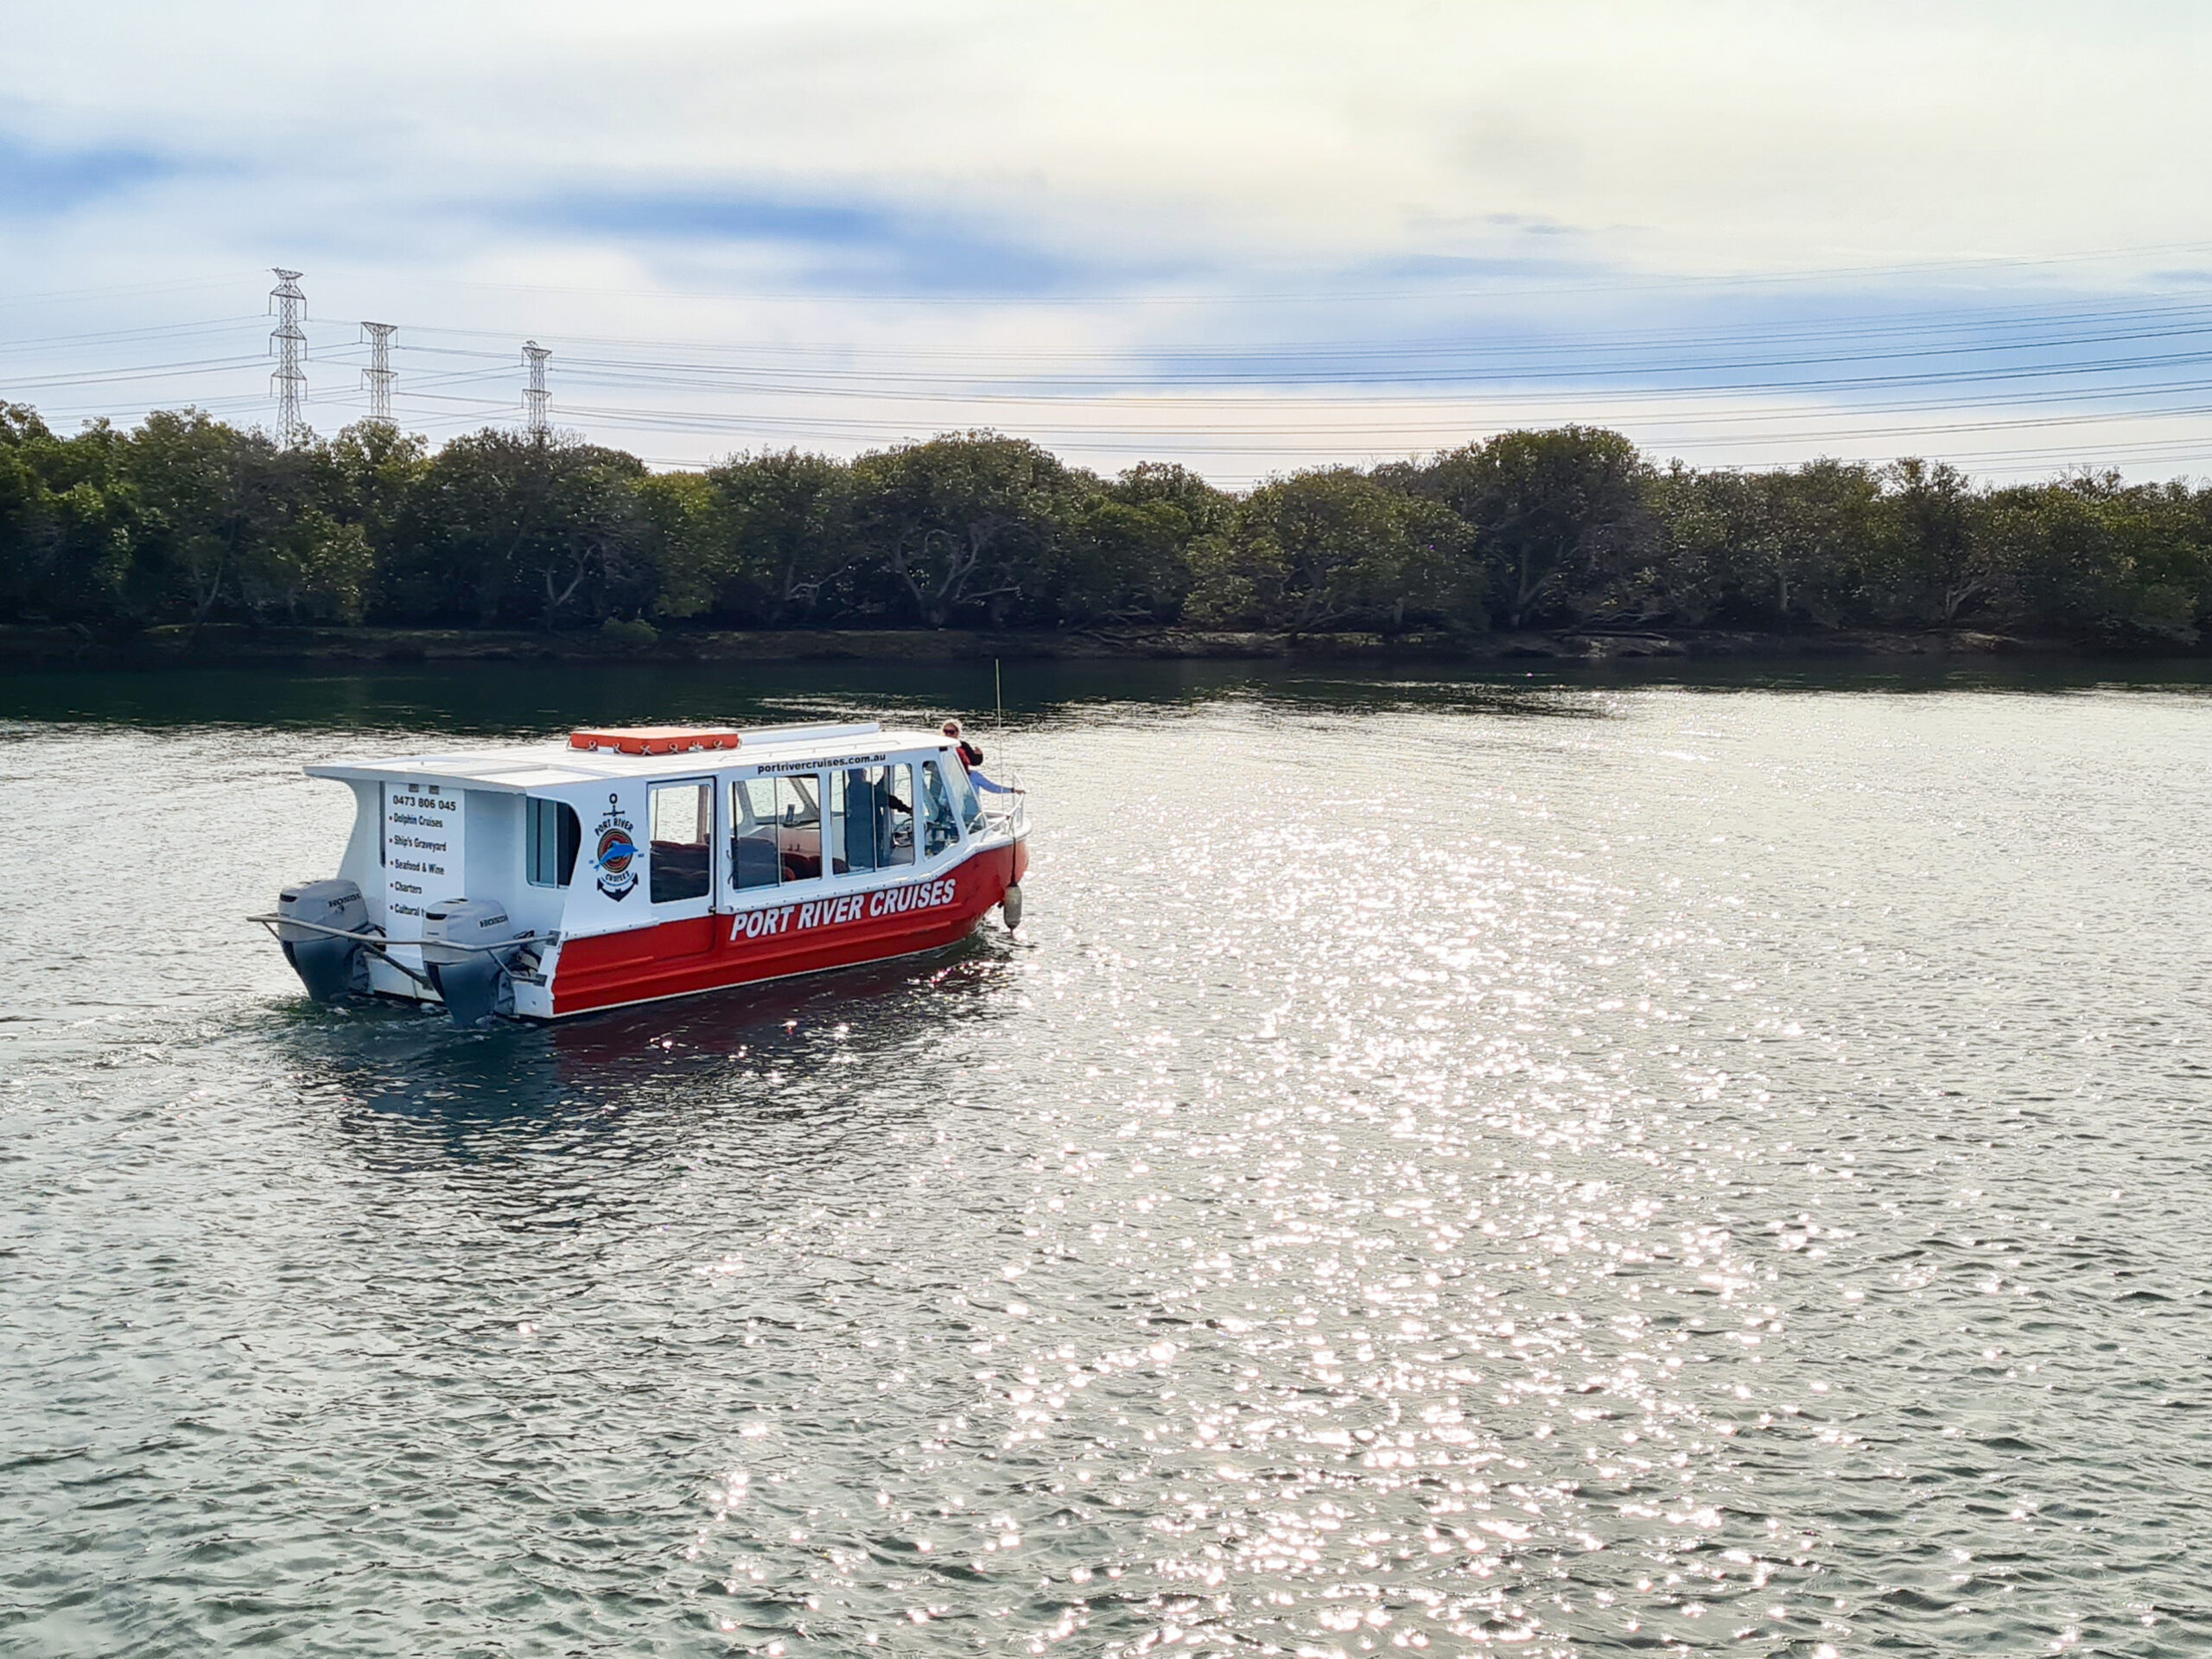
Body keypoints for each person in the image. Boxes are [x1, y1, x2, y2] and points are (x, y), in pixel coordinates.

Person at [942, 718, 1020, 796]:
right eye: (946, 732)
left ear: (957, 733)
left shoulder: (963, 746)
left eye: (951, 732)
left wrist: (1012, 790)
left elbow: (975, 761)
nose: (948, 735)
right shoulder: (942, 777)